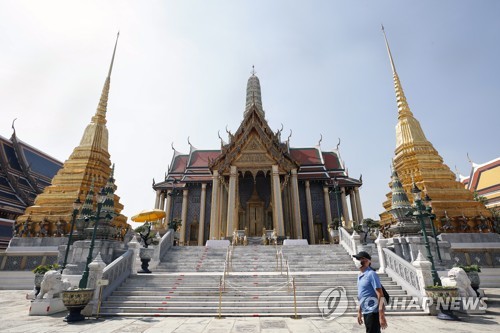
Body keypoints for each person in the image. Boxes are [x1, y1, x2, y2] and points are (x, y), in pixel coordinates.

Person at [353, 251, 388, 332]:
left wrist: (381, 315)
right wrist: (359, 312)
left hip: (373, 312)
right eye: (357, 259)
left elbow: (380, 295)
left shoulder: (371, 274)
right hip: (366, 312)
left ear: (367, 261)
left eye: (360, 258)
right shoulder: (360, 275)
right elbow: (361, 295)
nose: (357, 260)